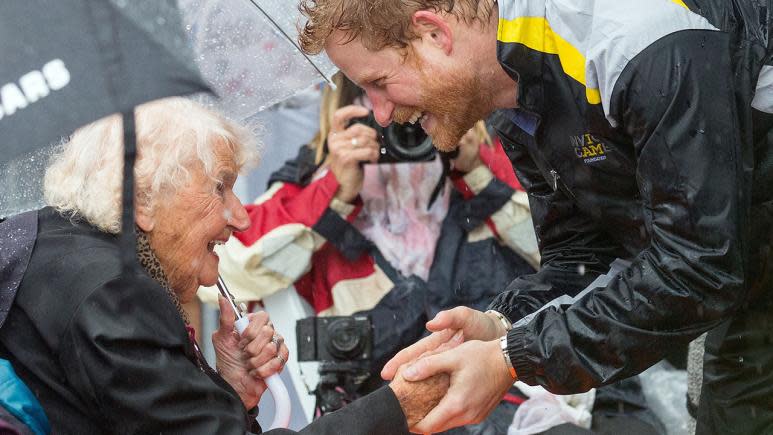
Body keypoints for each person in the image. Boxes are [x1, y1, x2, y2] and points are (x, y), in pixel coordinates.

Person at [297, 0, 773, 434]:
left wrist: (511, 359)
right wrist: (503, 327)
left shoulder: (632, 35)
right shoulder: (509, 98)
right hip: (748, 263)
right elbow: (585, 257)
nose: (379, 115)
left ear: (434, 33)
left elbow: (698, 266)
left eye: (379, 84)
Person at [203, 74, 663, 434]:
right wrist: (333, 191)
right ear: (341, 112)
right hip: (379, 403)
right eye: (369, 103)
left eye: (411, 110)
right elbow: (228, 270)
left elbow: (581, 255)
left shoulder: (489, 160)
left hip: (511, 396)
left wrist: (478, 172)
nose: (391, 120)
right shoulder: (313, 179)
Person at [0, 97, 447, 434]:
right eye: (221, 187)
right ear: (144, 198)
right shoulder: (114, 295)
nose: (241, 216)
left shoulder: (53, 245)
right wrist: (400, 406)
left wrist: (227, 391)